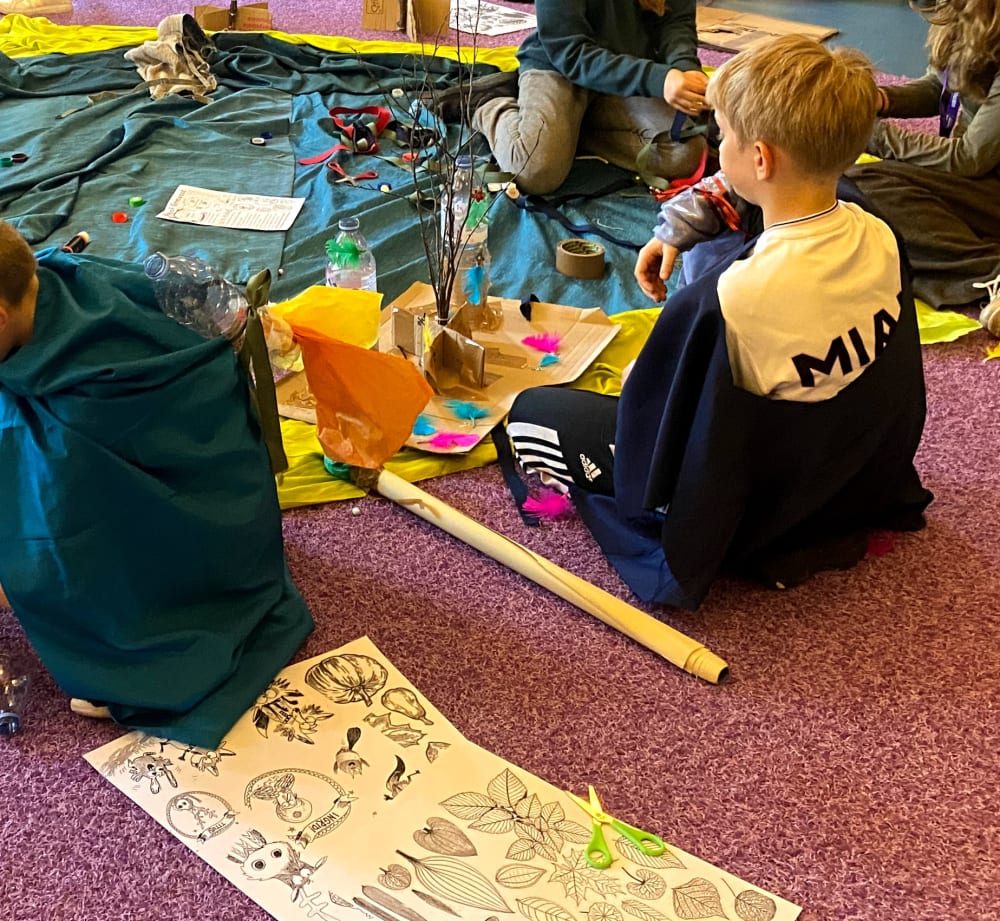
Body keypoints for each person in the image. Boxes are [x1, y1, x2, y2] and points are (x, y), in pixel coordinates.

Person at [504, 35, 932, 609]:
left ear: (759, 157)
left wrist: (644, 373)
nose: (717, 146)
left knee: (530, 413)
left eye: (724, 134)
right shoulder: (875, 230)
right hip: (847, 471)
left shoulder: (730, 299)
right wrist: (675, 229)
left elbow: (654, 425)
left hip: (758, 497)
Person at [0, 221, 314, 748]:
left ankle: (140, 645)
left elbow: (63, 533)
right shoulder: (61, 272)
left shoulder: (79, 421)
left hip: (192, 532)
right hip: (220, 489)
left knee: (48, 493)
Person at [443, 0, 709, 195]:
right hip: (560, 67)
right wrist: (658, 79)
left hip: (626, 78)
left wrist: (686, 72)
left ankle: (569, 131)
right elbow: (570, 50)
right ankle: (487, 104)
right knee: (535, 170)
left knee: (685, 151)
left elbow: (676, 22)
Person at [845, 0, 1000, 333]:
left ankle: (991, 272)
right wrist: (879, 99)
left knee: (868, 187)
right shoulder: (963, 14)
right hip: (981, 174)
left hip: (982, 173)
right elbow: (939, 87)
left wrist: (863, 132)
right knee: (852, 196)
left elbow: (968, 158)